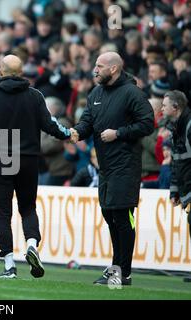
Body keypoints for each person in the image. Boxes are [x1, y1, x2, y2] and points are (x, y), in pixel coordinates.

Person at [0, 55, 75, 278]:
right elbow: (51, 125)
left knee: (3, 213)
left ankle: (9, 266)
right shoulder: (35, 96)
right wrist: (69, 134)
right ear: (22, 73)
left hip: (0, 160)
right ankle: (32, 244)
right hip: (29, 160)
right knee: (28, 208)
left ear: (1, 72)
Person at [71, 52, 154, 286]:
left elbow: (147, 123)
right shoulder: (96, 93)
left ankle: (123, 272)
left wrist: (118, 133)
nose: (94, 70)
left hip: (125, 166)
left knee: (122, 217)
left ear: (114, 69)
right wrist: (75, 132)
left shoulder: (132, 93)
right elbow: (87, 122)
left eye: (99, 66)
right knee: (110, 216)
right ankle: (116, 267)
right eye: (95, 65)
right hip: (105, 168)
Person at [161, 90, 191, 282]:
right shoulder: (176, 127)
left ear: (175, 107)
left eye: (164, 105)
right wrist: (175, 190)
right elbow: (176, 162)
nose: (162, 108)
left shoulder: (188, 127)